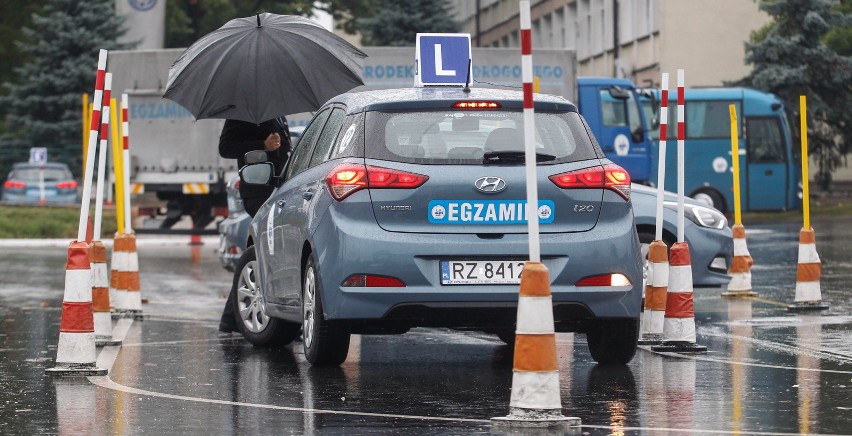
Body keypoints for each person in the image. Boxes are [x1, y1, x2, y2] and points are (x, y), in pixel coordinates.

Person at [217, 117, 291, 333]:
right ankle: (234, 319)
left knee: (262, 254)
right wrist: (262, 146)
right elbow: (226, 148)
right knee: (266, 253)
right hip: (257, 190)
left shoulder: (278, 113)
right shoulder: (243, 115)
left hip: (276, 189)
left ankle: (230, 319)